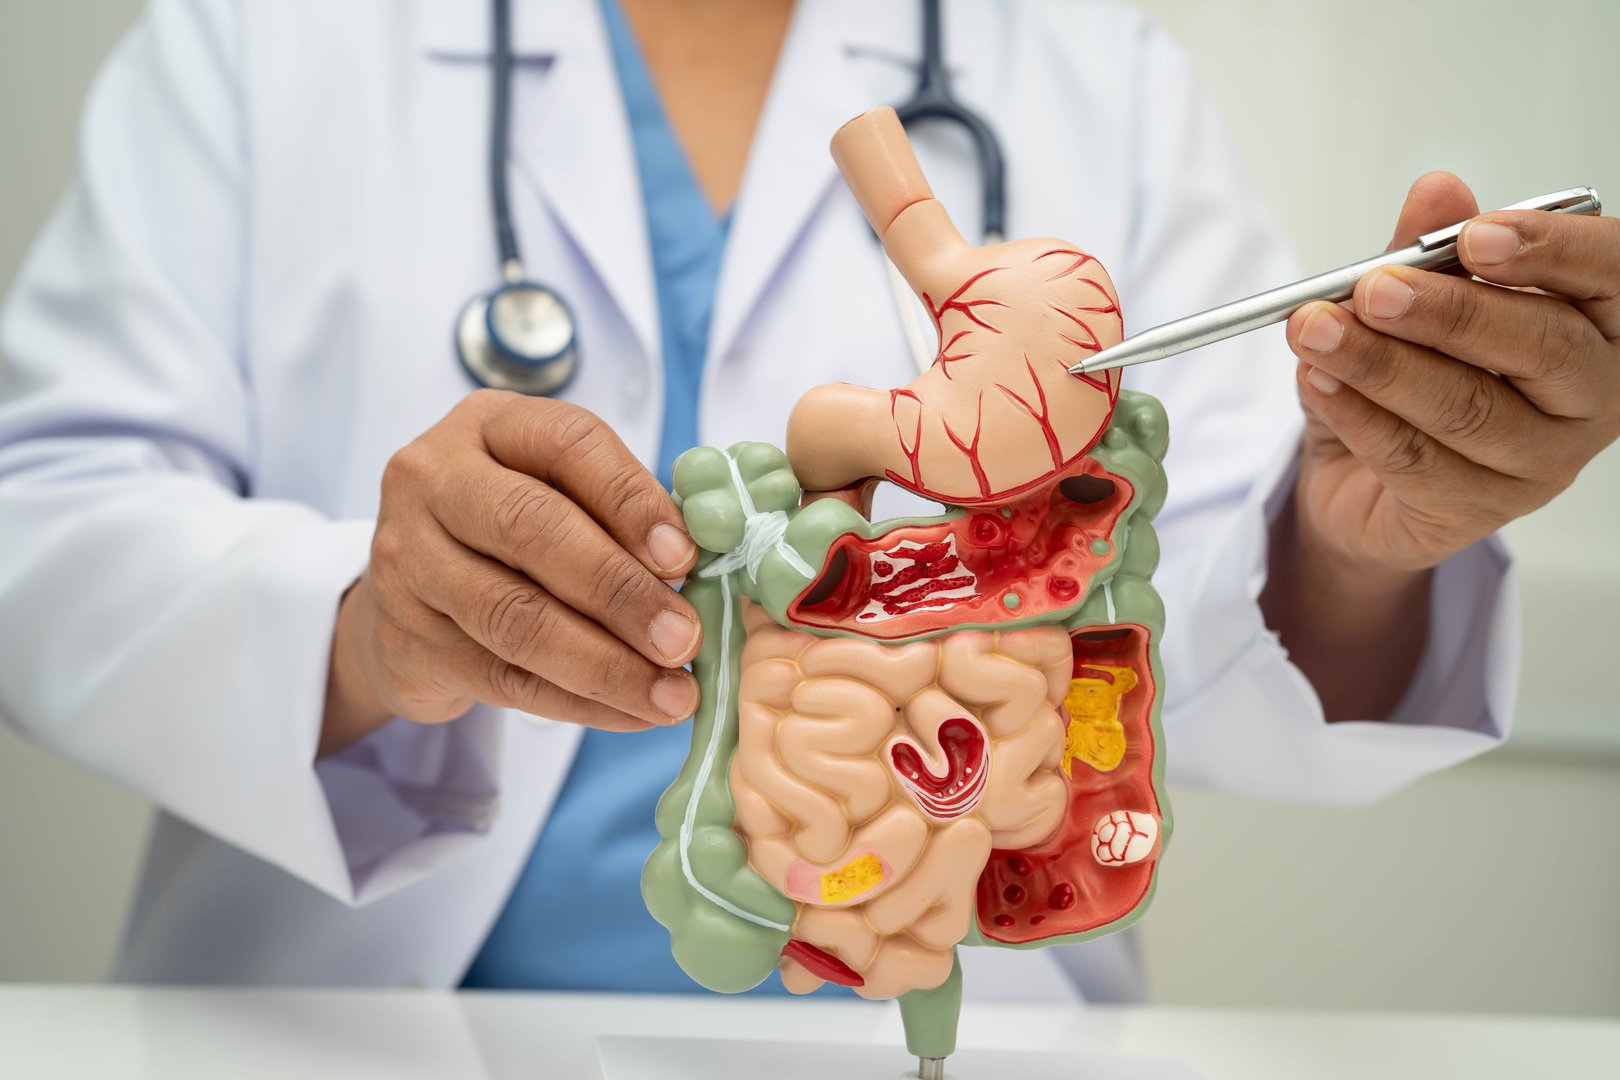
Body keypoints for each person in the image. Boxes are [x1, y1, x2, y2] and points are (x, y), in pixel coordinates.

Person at [1, 0, 1615, 1001]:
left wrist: (1355, 535)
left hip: (954, 1016)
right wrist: (367, 631)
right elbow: (46, 512)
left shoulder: (1087, 57)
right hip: (340, 1028)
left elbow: (1176, 605)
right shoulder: (256, 37)